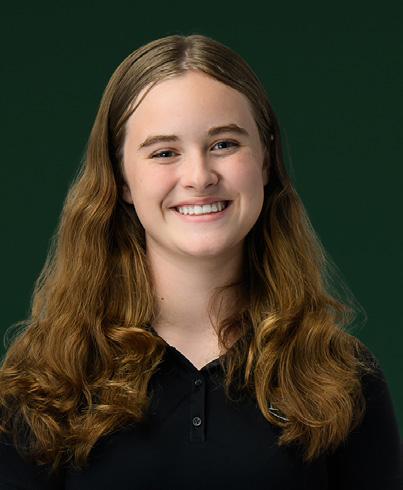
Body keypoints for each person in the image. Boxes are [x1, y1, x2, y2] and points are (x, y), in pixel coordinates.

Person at [0, 33, 401, 489]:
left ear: (266, 160)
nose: (199, 176)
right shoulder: (45, 381)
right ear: (122, 178)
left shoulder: (342, 377)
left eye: (224, 144)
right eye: (164, 152)